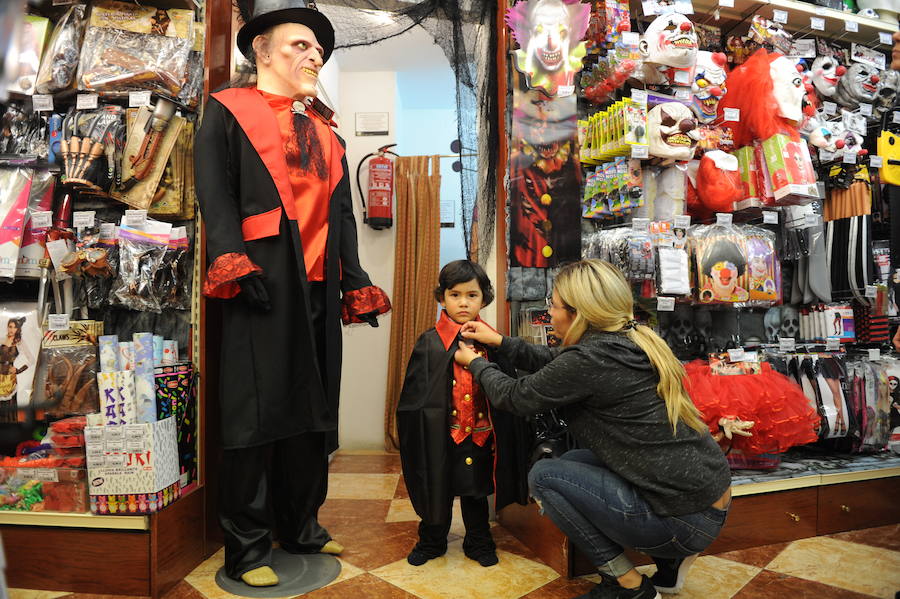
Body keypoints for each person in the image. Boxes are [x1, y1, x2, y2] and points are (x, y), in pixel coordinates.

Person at [194, 0, 389, 588]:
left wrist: (353, 279)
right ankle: (247, 548)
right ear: (261, 50)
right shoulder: (227, 111)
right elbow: (215, 194)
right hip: (259, 282)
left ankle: (301, 524)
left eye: (318, 49)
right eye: (300, 45)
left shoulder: (327, 130)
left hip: (318, 287)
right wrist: (232, 258)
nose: (314, 55)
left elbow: (344, 216)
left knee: (313, 410)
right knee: (253, 416)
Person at [455, 260, 732, 599]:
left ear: (578, 314)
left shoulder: (589, 359)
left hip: (683, 520)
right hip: (709, 503)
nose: (550, 313)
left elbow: (515, 396)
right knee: (578, 460)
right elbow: (557, 363)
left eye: (553, 306)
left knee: (545, 476)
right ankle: (669, 564)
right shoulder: (630, 339)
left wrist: (477, 363)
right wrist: (499, 341)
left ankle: (628, 585)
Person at [397, 260, 530, 568]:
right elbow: (415, 398)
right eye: (455, 295)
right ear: (441, 298)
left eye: (472, 295)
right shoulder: (429, 343)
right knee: (438, 486)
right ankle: (432, 539)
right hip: (442, 436)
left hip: (482, 435)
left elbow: (508, 388)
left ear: (484, 298)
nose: (463, 303)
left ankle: (479, 541)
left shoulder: (493, 341)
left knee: (476, 490)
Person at [0, 318, 24, 424]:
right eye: (10, 326)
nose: (12, 329)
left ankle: (11, 429)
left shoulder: (19, 343)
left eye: (15, 327)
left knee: (9, 405)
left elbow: (31, 359)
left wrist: (18, 370)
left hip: (10, 379)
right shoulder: (1, 340)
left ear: (18, 329)